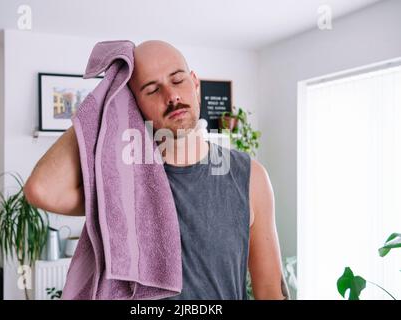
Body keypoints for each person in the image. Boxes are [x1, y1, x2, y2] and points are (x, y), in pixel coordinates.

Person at [24, 40, 289, 300]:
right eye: (152, 89)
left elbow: (271, 291)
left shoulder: (250, 176)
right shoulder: (122, 182)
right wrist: (107, 97)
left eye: (177, 80)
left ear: (195, 84)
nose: (171, 96)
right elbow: (41, 189)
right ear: (133, 105)